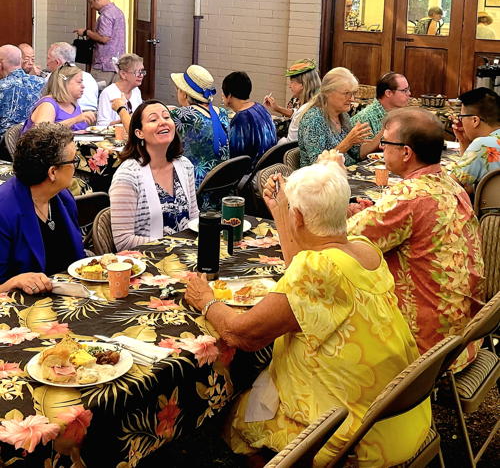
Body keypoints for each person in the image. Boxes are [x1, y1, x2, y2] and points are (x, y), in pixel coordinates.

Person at [185, 159, 431, 467]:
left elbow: (242, 334)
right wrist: (280, 212)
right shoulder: (364, 249)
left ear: (298, 217)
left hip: (354, 437)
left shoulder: (318, 271)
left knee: (229, 411)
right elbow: (303, 271)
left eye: (291, 214)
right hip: (399, 415)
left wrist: (206, 300)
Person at [347, 108, 484, 371]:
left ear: (406, 152)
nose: (382, 149)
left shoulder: (409, 197)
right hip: (462, 333)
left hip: (425, 349)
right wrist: (370, 213)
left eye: (385, 143)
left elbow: (338, 241)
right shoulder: (449, 183)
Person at [0, 123, 85, 292]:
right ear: (53, 172)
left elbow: (76, 260)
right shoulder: (4, 211)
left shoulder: (63, 197)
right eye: (73, 160)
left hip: (68, 300)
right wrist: (16, 281)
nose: (76, 166)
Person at [109, 100, 199, 251]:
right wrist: (174, 245)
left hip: (186, 254)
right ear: (139, 133)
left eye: (166, 117)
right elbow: (123, 241)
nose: (163, 122)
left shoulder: (184, 165)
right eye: (153, 119)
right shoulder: (128, 175)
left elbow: (194, 218)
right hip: (148, 260)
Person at [297, 67, 379, 167]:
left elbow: (357, 154)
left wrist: (383, 132)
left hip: (344, 174)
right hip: (321, 180)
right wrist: (348, 142)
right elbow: (318, 165)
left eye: (353, 93)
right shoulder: (313, 119)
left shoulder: (343, 115)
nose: (352, 99)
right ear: (327, 92)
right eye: (346, 93)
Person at [169, 64, 230, 190]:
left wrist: (121, 108)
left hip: (197, 190)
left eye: (178, 89)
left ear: (185, 94)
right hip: (223, 186)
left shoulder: (182, 115)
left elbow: (140, 128)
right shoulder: (223, 113)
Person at [222, 71, 277, 168]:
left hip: (252, 175)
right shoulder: (260, 107)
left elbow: (235, 159)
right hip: (268, 169)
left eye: (223, 91)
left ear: (229, 95)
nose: (222, 95)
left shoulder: (240, 119)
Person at [451, 87, 500, 193]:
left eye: (461, 117)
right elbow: (467, 181)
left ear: (475, 120)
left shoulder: (482, 145)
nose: (461, 122)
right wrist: (464, 142)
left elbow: (451, 185)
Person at [22, 64, 96, 133]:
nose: (83, 86)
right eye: (79, 82)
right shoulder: (48, 105)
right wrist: (75, 120)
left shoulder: (73, 104)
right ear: (65, 83)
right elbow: (41, 132)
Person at [265, 59, 321, 145]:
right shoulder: (317, 103)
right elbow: (297, 114)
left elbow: (289, 145)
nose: (290, 86)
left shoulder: (304, 111)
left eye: (292, 82)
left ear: (303, 84)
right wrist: (277, 108)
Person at [74, 0, 125, 86]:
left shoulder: (106, 15)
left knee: (97, 93)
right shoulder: (118, 12)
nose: (91, 6)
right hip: (116, 63)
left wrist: (86, 32)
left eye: (91, 2)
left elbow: (104, 38)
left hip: (103, 65)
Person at [0, 44, 44, 138]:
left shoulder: (2, 87)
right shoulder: (41, 82)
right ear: (21, 61)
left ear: (1, 64)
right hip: (34, 142)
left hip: (5, 144)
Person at [351, 72, 411, 139]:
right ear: (388, 93)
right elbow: (361, 149)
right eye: (404, 90)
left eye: (408, 89)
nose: (409, 93)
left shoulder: (404, 115)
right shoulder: (363, 119)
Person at [46, 42, 99, 112]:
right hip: (92, 118)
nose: (47, 64)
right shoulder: (89, 77)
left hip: (67, 118)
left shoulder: (53, 78)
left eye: (48, 58)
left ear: (57, 62)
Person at [97, 53, 144, 126]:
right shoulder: (108, 93)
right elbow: (102, 125)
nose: (141, 75)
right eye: (137, 72)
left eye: (142, 71)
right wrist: (124, 120)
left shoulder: (136, 91)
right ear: (123, 74)